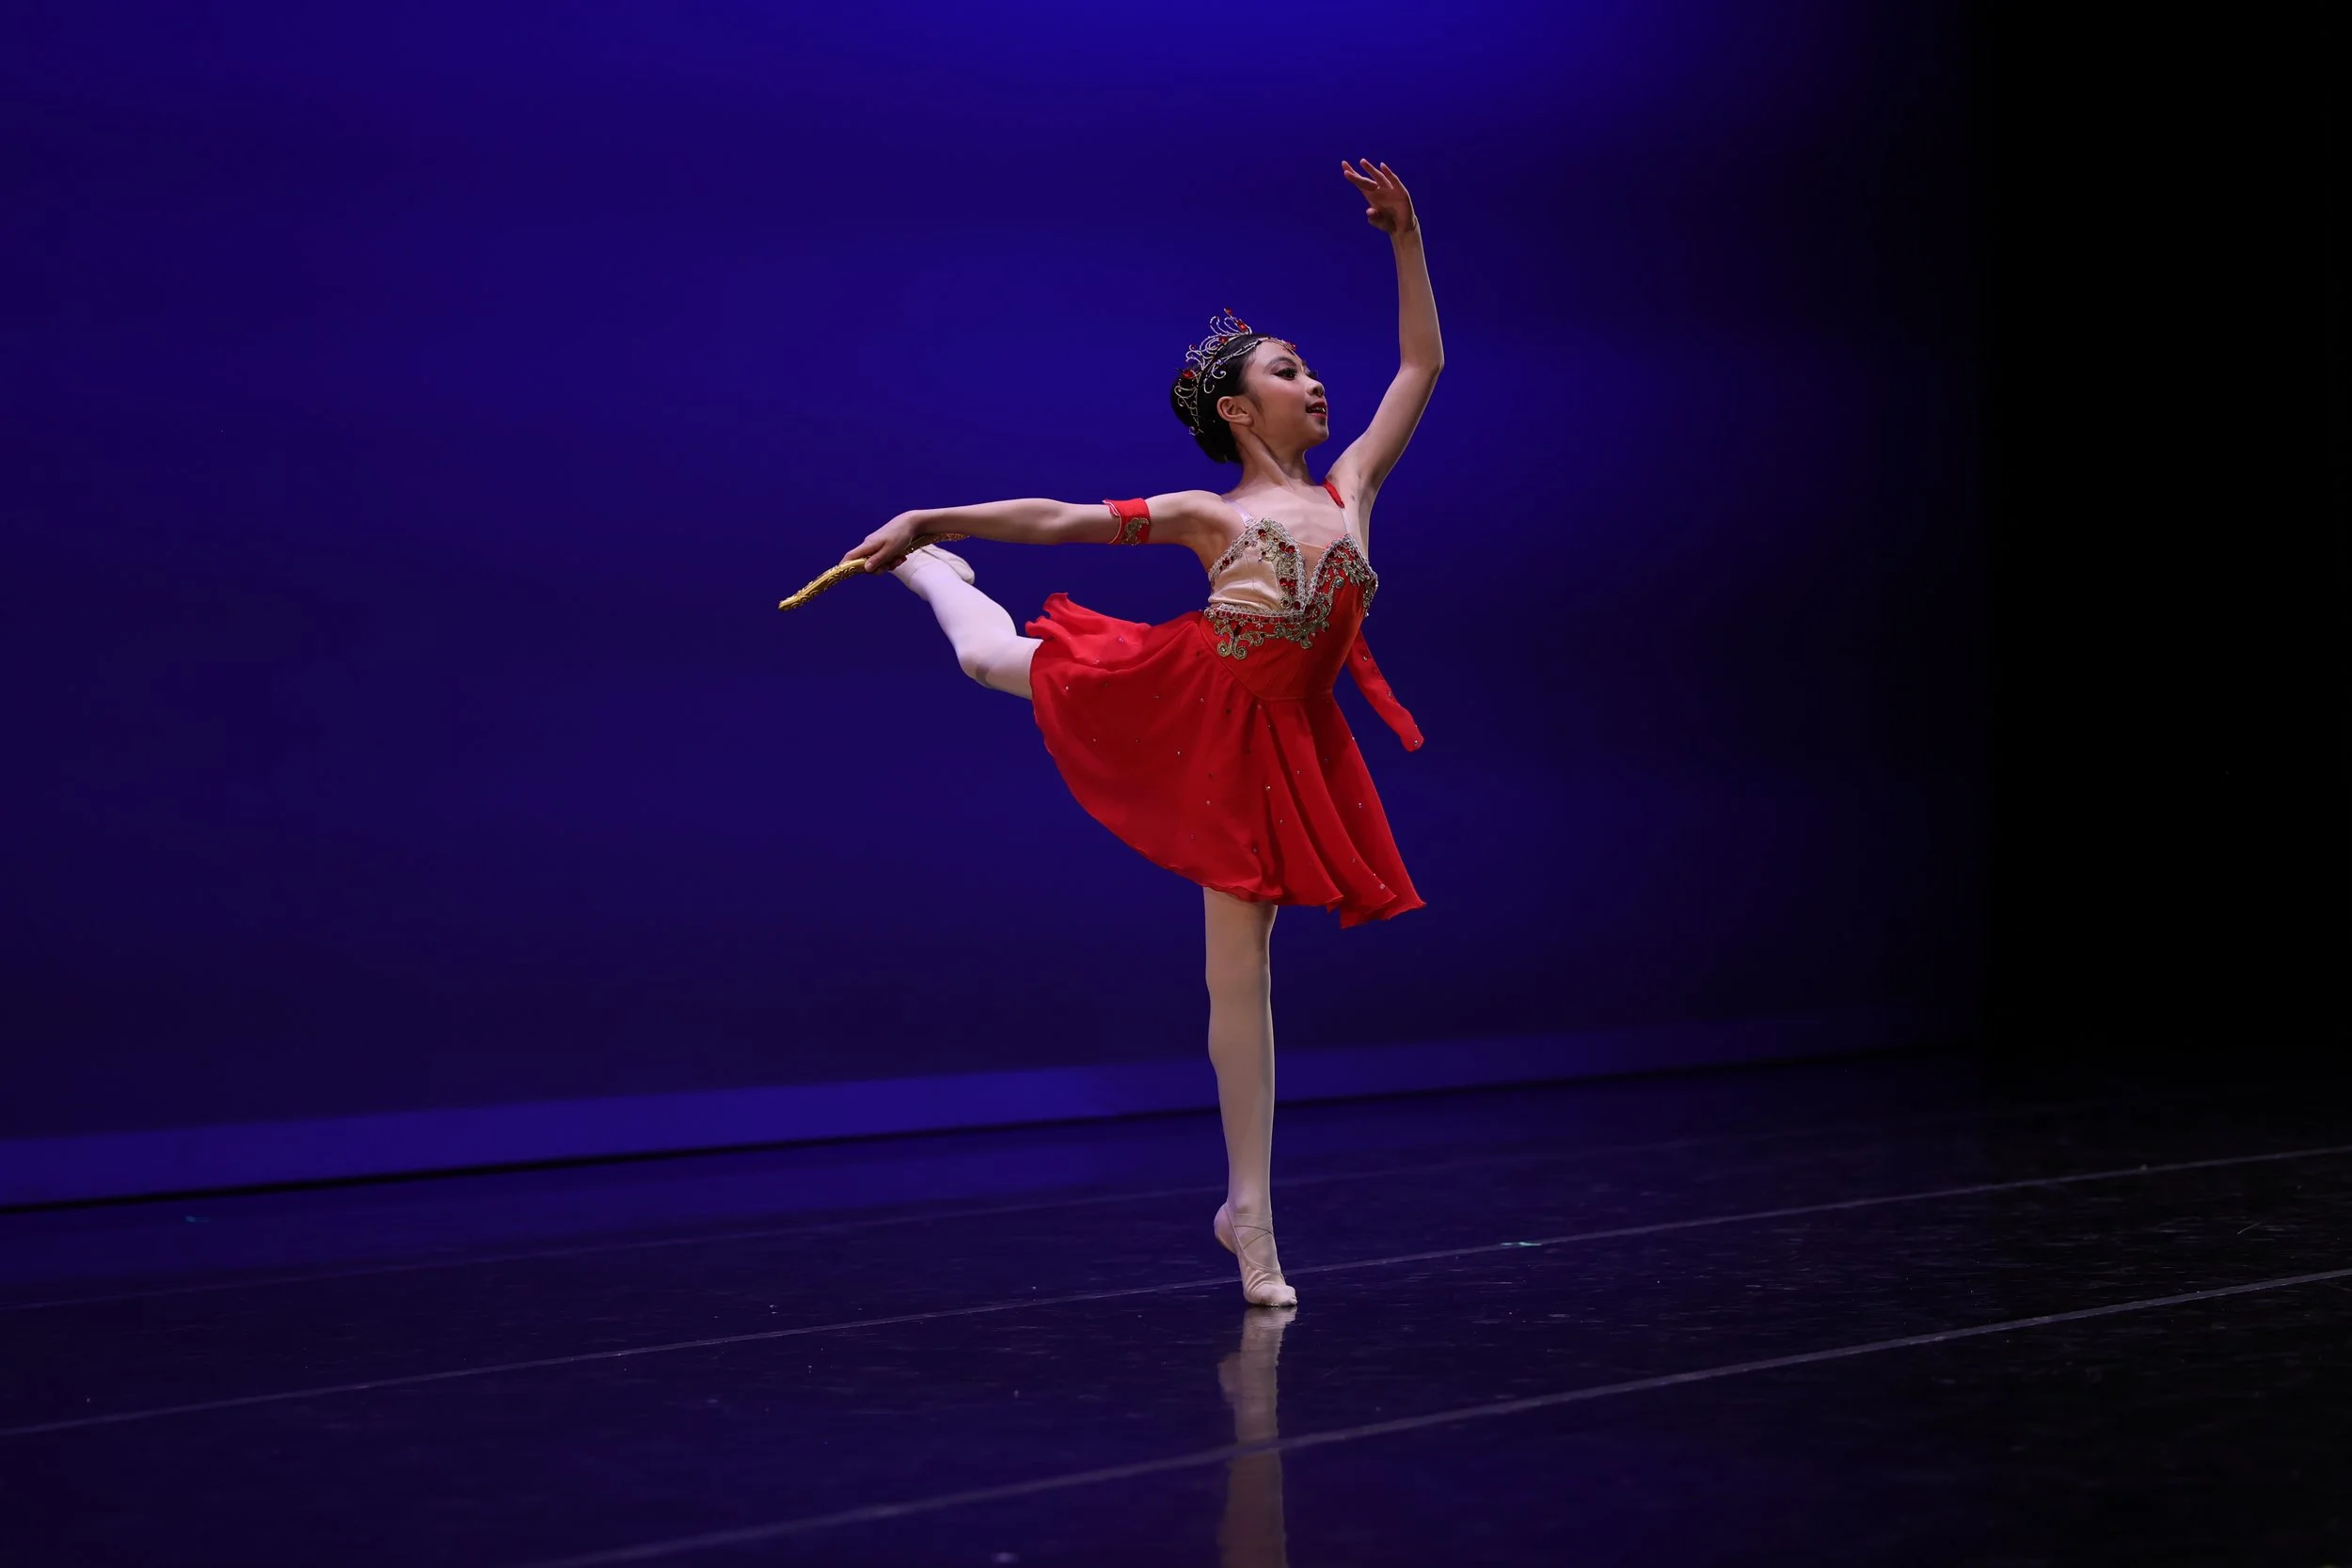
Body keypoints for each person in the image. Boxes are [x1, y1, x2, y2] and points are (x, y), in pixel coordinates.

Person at [838, 159, 1443, 1307]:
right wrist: (928, 513)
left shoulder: (1352, 486)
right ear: (1235, 408)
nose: (1315, 385)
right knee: (982, 655)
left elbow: (1422, 364)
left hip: (1280, 741)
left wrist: (1404, 239)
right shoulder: (1211, 512)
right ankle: (930, 574)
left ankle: (1247, 1214)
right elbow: (1062, 518)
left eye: (1311, 369)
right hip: (1183, 701)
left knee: (1240, 977)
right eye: (1287, 371)